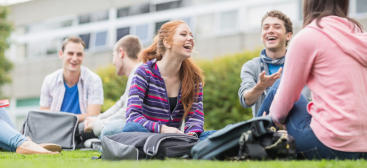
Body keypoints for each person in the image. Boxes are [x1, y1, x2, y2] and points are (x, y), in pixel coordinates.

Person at [264, 0, 367, 160]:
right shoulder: (360, 35)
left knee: (278, 87)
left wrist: (274, 119)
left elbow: (281, 109)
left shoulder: (308, 36)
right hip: (364, 145)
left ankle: (248, 138)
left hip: (331, 145)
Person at [124, 20, 215, 141]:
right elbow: (132, 116)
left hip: (176, 139)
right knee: (131, 127)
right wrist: (163, 129)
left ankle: (187, 147)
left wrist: (191, 136)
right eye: (183, 34)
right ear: (167, 43)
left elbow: (195, 119)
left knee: (219, 135)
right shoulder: (144, 72)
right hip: (148, 136)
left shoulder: (194, 78)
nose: (190, 38)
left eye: (191, 35)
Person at [238, 10, 311, 117]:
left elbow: (305, 101)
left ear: (288, 36)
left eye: (277, 27)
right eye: (266, 27)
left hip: (295, 123)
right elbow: (246, 100)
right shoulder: (251, 67)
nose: (270, 31)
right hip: (264, 126)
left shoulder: (302, 65)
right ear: (261, 35)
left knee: (278, 86)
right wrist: (261, 86)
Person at [39, 36, 103, 146]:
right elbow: (43, 112)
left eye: (79, 54)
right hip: (56, 127)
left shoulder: (93, 80)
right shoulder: (49, 80)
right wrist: (65, 121)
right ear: (61, 54)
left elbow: (93, 115)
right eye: (70, 53)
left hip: (82, 129)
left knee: (91, 125)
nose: (75, 58)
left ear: (83, 56)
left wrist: (63, 119)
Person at [83, 35, 143, 140]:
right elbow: (120, 104)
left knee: (108, 130)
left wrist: (99, 124)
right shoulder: (135, 72)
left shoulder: (139, 72)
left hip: (143, 127)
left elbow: (126, 112)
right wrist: (97, 119)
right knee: (106, 130)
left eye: (113, 55)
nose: (113, 62)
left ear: (121, 52)